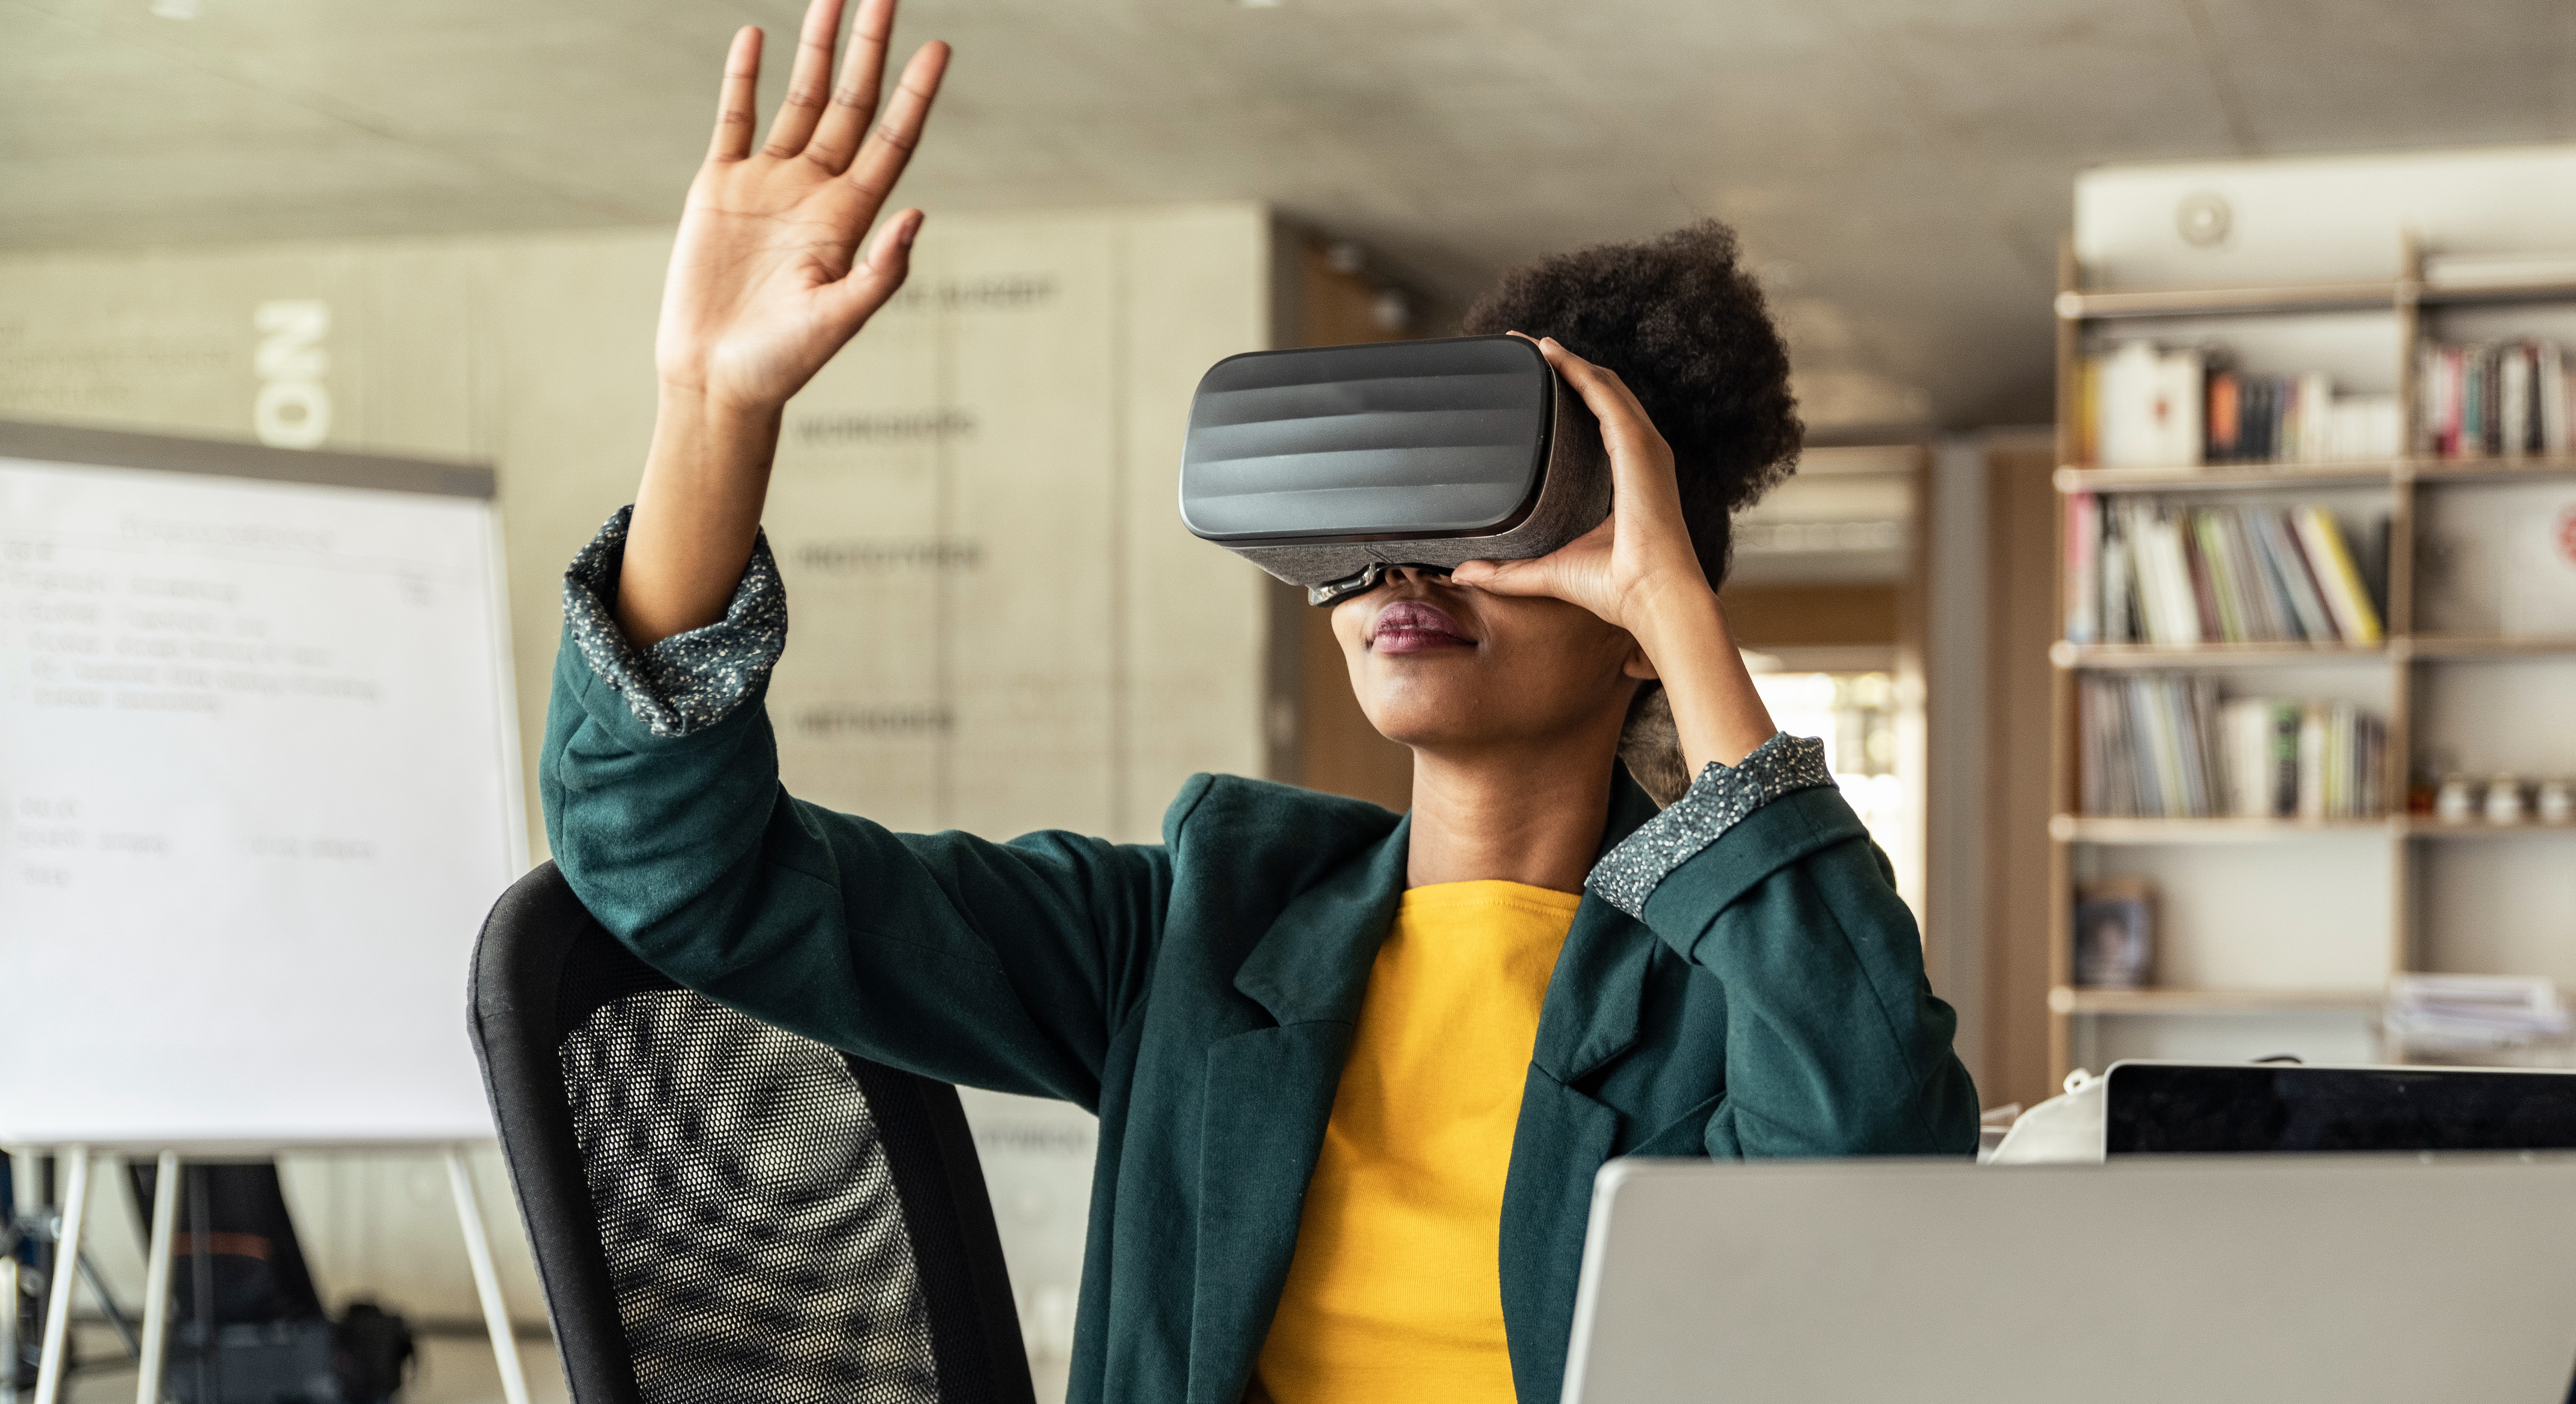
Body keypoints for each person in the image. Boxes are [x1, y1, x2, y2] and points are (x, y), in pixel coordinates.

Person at [539, 0, 1979, 1400]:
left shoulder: (1726, 999)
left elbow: (1873, 1163)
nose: (1408, 566)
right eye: (1371, 520)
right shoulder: (1198, 934)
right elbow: (684, 878)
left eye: (1487, 517)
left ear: (1628, 616)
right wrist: (713, 414)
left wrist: (1681, 613)